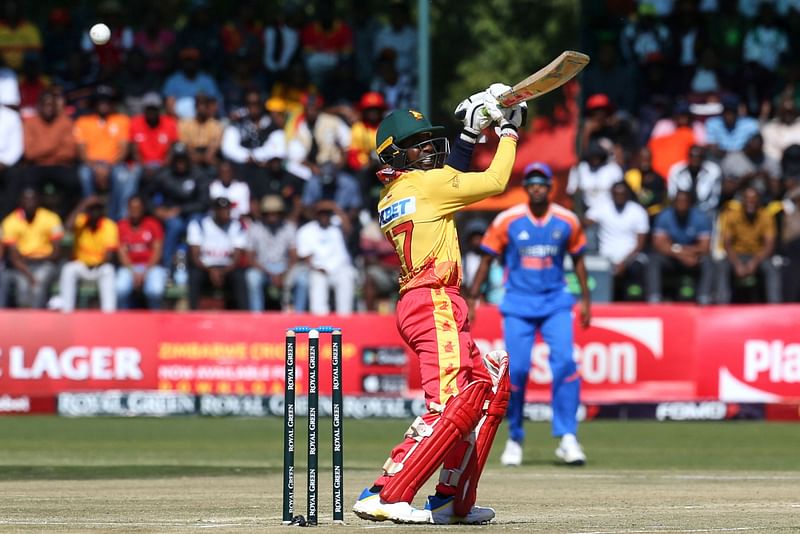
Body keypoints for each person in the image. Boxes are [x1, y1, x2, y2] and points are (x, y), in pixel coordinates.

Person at [352, 87, 525, 525]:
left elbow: (451, 182)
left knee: (483, 393)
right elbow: (495, 182)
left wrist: (469, 136)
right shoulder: (427, 184)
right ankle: (385, 492)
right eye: (419, 145)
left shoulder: (398, 192)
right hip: (433, 300)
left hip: (427, 300)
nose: (429, 149)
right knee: (449, 404)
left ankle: (452, 499)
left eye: (431, 141)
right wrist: (506, 131)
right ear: (397, 155)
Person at [468, 161, 591, 468]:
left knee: (565, 364)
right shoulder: (508, 220)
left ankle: (567, 438)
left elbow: (578, 261)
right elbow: (486, 260)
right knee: (518, 371)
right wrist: (472, 297)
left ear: (550, 187)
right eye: (532, 182)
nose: (537, 187)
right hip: (518, 304)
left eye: (542, 183)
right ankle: (515, 437)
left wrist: (586, 300)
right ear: (526, 188)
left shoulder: (567, 220)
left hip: (556, 302)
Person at [647, 190, 714, 304]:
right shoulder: (664, 216)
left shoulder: (700, 218)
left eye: (684, 201)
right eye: (678, 201)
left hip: (693, 258)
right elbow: (658, 244)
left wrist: (686, 253)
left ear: (690, 203)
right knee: (654, 260)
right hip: (672, 257)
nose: (681, 204)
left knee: (708, 261)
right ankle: (654, 297)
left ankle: (704, 297)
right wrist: (680, 254)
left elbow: (705, 247)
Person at [586, 181, 649, 301]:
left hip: (631, 258)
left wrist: (624, 263)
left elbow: (640, 244)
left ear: (627, 194)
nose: (619, 196)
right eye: (616, 194)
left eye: (623, 194)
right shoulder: (602, 208)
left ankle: (634, 301)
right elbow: (585, 222)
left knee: (636, 269)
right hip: (606, 258)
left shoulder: (638, 211)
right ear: (612, 194)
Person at [1, 188, 63, 308]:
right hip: (22, 266)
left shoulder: (51, 218)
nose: (30, 203)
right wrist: (30, 275)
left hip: (46, 263)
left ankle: (38, 320)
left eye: (33, 199)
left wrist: (36, 261)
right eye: (26, 199)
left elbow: (56, 253)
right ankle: (24, 322)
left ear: (38, 201)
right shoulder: (10, 221)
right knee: (23, 286)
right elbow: (14, 258)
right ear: (20, 202)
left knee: (39, 283)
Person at [718, 185, 781, 303]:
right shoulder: (732, 215)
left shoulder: (766, 216)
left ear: (759, 201)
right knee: (722, 266)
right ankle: (721, 304)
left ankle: (775, 306)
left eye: (753, 199)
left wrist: (754, 262)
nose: (750, 202)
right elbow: (727, 244)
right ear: (742, 200)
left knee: (772, 268)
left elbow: (769, 245)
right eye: (747, 199)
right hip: (737, 255)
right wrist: (737, 264)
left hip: (758, 256)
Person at [295, 199, 356, 315]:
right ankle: (321, 318)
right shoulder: (306, 231)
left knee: (346, 277)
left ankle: (345, 318)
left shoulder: (337, 227)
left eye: (327, 213)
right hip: (319, 269)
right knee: (318, 281)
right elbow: (306, 257)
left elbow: (349, 229)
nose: (324, 216)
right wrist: (317, 267)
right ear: (315, 214)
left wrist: (335, 208)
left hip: (340, 269)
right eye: (321, 213)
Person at [186, 196, 248, 310]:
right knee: (194, 276)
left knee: (240, 277)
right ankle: (192, 313)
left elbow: (237, 258)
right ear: (214, 211)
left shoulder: (237, 226)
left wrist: (222, 272)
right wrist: (211, 271)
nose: (226, 212)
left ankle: (243, 315)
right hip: (204, 267)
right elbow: (194, 256)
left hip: (227, 268)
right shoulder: (199, 224)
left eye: (228, 209)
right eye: (222, 209)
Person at [59, 196, 118, 312]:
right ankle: (66, 312)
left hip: (99, 267)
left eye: (97, 209)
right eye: (91, 209)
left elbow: (109, 255)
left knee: (109, 270)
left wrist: (97, 263)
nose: (94, 212)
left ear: (102, 211)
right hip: (81, 266)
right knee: (68, 269)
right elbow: (67, 227)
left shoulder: (109, 226)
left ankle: (109, 314)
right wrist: (83, 204)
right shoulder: (81, 221)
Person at [245, 195, 298, 312]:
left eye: (276, 213)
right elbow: (250, 258)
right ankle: (256, 314)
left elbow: (294, 256)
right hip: (262, 267)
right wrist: (269, 273)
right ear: (263, 213)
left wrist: (284, 273)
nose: (272, 216)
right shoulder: (254, 228)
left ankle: (299, 315)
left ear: (281, 213)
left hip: (284, 266)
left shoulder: (289, 227)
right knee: (252, 277)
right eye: (269, 213)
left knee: (303, 279)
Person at [115, 195, 166, 310]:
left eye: (137, 208)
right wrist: (133, 272)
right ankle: (123, 320)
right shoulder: (122, 226)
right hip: (129, 267)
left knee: (155, 291)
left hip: (151, 266)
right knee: (120, 288)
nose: (135, 211)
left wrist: (145, 271)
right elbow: (122, 253)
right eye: (132, 208)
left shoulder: (153, 224)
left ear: (143, 208)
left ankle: (155, 320)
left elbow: (157, 251)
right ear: (128, 209)